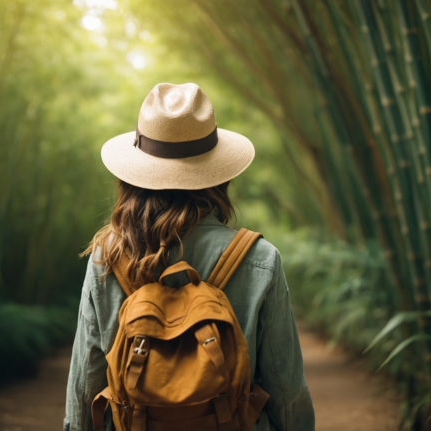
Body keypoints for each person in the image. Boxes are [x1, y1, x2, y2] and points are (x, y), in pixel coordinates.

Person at [64, 83, 314, 431]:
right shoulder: (259, 259)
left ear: (135, 175)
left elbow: (85, 383)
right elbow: (286, 387)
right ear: (218, 175)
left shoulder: (109, 257)